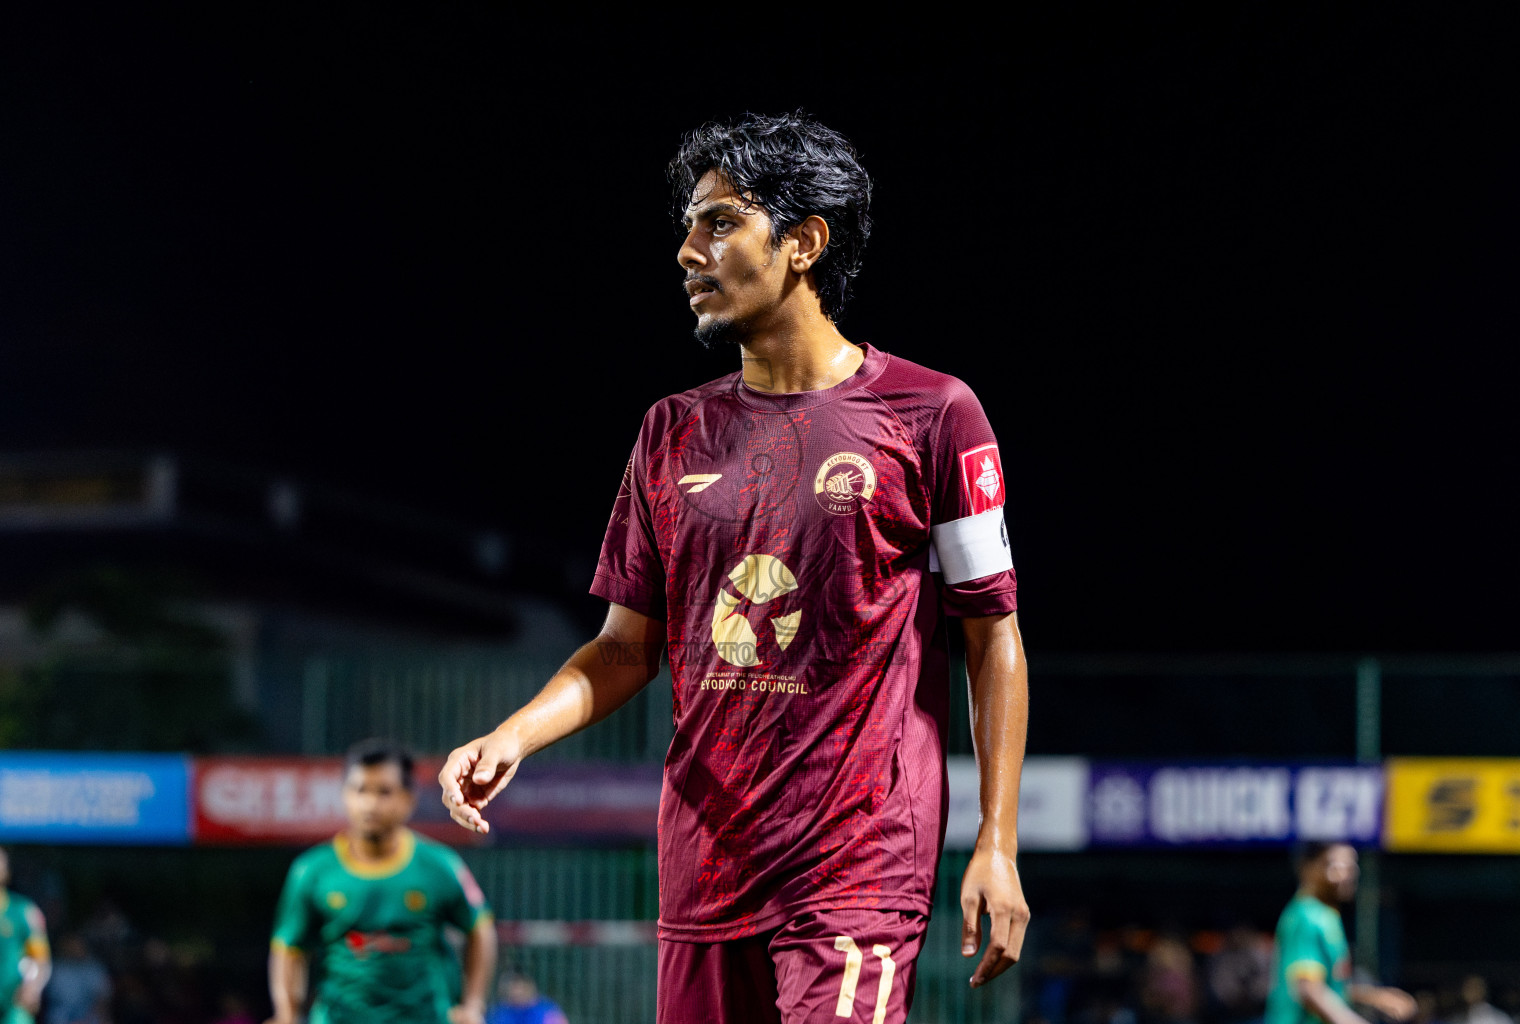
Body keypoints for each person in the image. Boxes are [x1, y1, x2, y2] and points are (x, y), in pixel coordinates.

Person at [441, 111, 1030, 1023]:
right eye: (687, 226)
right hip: (707, 862)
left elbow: (993, 640)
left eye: (718, 223)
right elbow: (625, 649)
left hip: (859, 862)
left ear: (803, 243)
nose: (686, 251)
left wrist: (999, 838)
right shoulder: (671, 432)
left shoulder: (934, 415)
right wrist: (511, 735)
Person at [267, 739, 496, 1024]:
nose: (370, 803)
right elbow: (289, 946)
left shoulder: (440, 866)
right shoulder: (311, 871)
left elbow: (480, 928)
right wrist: (287, 1014)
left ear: (408, 799)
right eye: (360, 790)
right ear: (344, 795)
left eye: (384, 792)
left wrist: (473, 1005)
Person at [1264, 842, 1415, 1024]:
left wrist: (1375, 997)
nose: (1347, 874)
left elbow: (1328, 986)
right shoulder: (1308, 916)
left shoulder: (1326, 915)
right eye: (1337, 866)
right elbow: (1308, 989)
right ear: (1308, 868)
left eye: (1351, 866)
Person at [0, 846, 50, 1024]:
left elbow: (40, 958)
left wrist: (32, 987)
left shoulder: (22, 911)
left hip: (11, 1004)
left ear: (4, 874)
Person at [41, 932, 111, 1024]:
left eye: (78, 944)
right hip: (58, 1018)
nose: (75, 948)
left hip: (89, 1019)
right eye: (71, 944)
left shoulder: (94, 968)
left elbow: (103, 1000)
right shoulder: (54, 968)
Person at [488, 970, 567, 1024]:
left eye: (521, 987)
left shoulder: (547, 1010)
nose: (518, 992)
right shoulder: (500, 1012)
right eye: (515, 987)